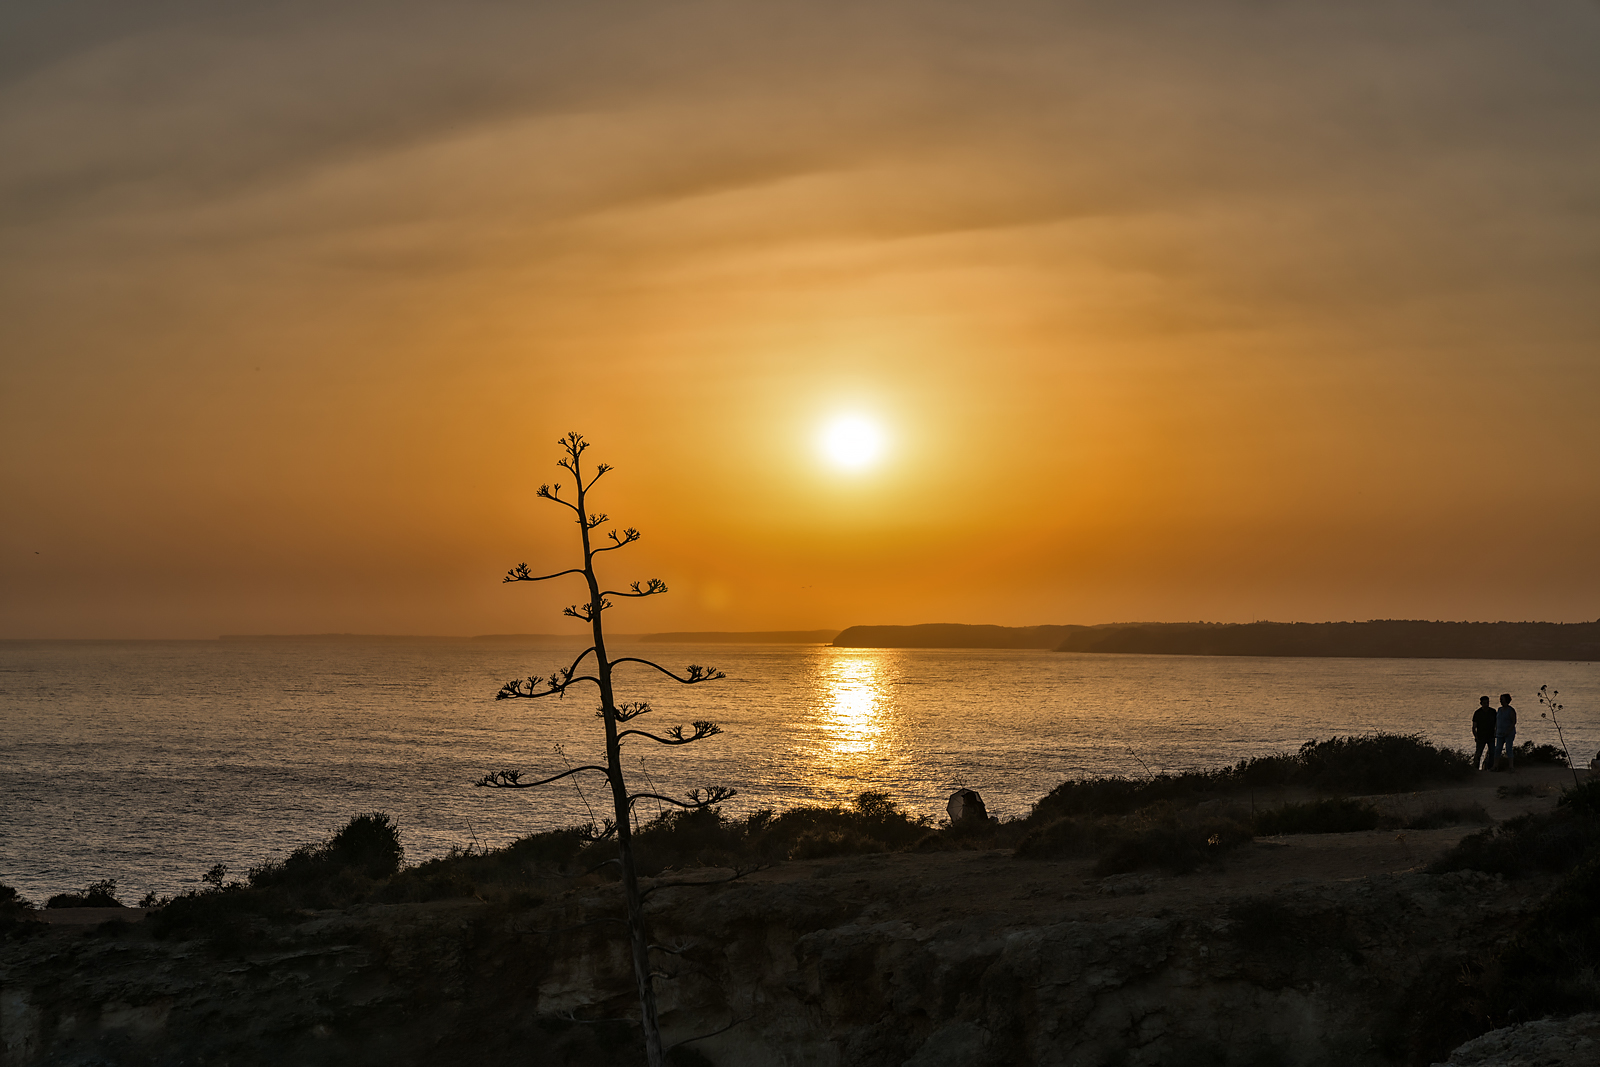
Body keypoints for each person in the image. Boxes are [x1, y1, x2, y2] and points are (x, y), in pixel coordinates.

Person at [1471, 696, 1497, 771]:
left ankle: (1489, 768)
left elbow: (1496, 724)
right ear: (1481, 703)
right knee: (1478, 754)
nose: (1486, 704)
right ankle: (1476, 769)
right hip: (1481, 737)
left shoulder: (1493, 712)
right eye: (1484, 703)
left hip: (1491, 736)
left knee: (1492, 753)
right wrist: (1475, 736)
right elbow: (1474, 727)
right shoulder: (1477, 713)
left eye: (1487, 703)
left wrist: (1496, 732)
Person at [1494, 693, 1518, 771]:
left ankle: (1511, 767)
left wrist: (1508, 731)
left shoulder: (1511, 710)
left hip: (1509, 734)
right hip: (1499, 733)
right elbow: (1497, 721)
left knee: (1508, 749)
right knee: (1497, 749)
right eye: (1500, 699)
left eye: (1502, 699)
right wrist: (1496, 730)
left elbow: (1513, 722)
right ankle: (1495, 766)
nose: (1501, 701)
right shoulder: (1499, 710)